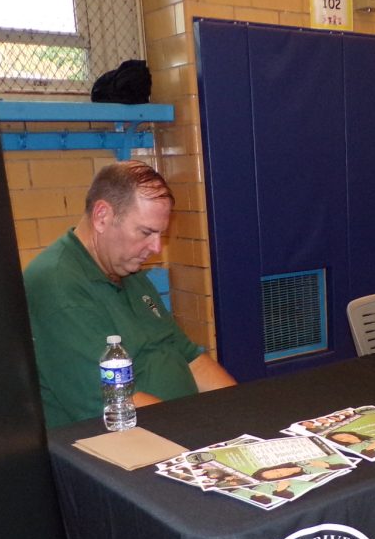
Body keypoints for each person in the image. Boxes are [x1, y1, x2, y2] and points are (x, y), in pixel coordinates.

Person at [24, 161, 236, 427]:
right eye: (146, 232)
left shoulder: (127, 269)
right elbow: (116, 404)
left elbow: (192, 359)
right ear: (102, 217)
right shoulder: (57, 284)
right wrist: (203, 430)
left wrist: (240, 411)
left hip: (178, 426)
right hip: (120, 442)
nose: (156, 247)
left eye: (160, 234)